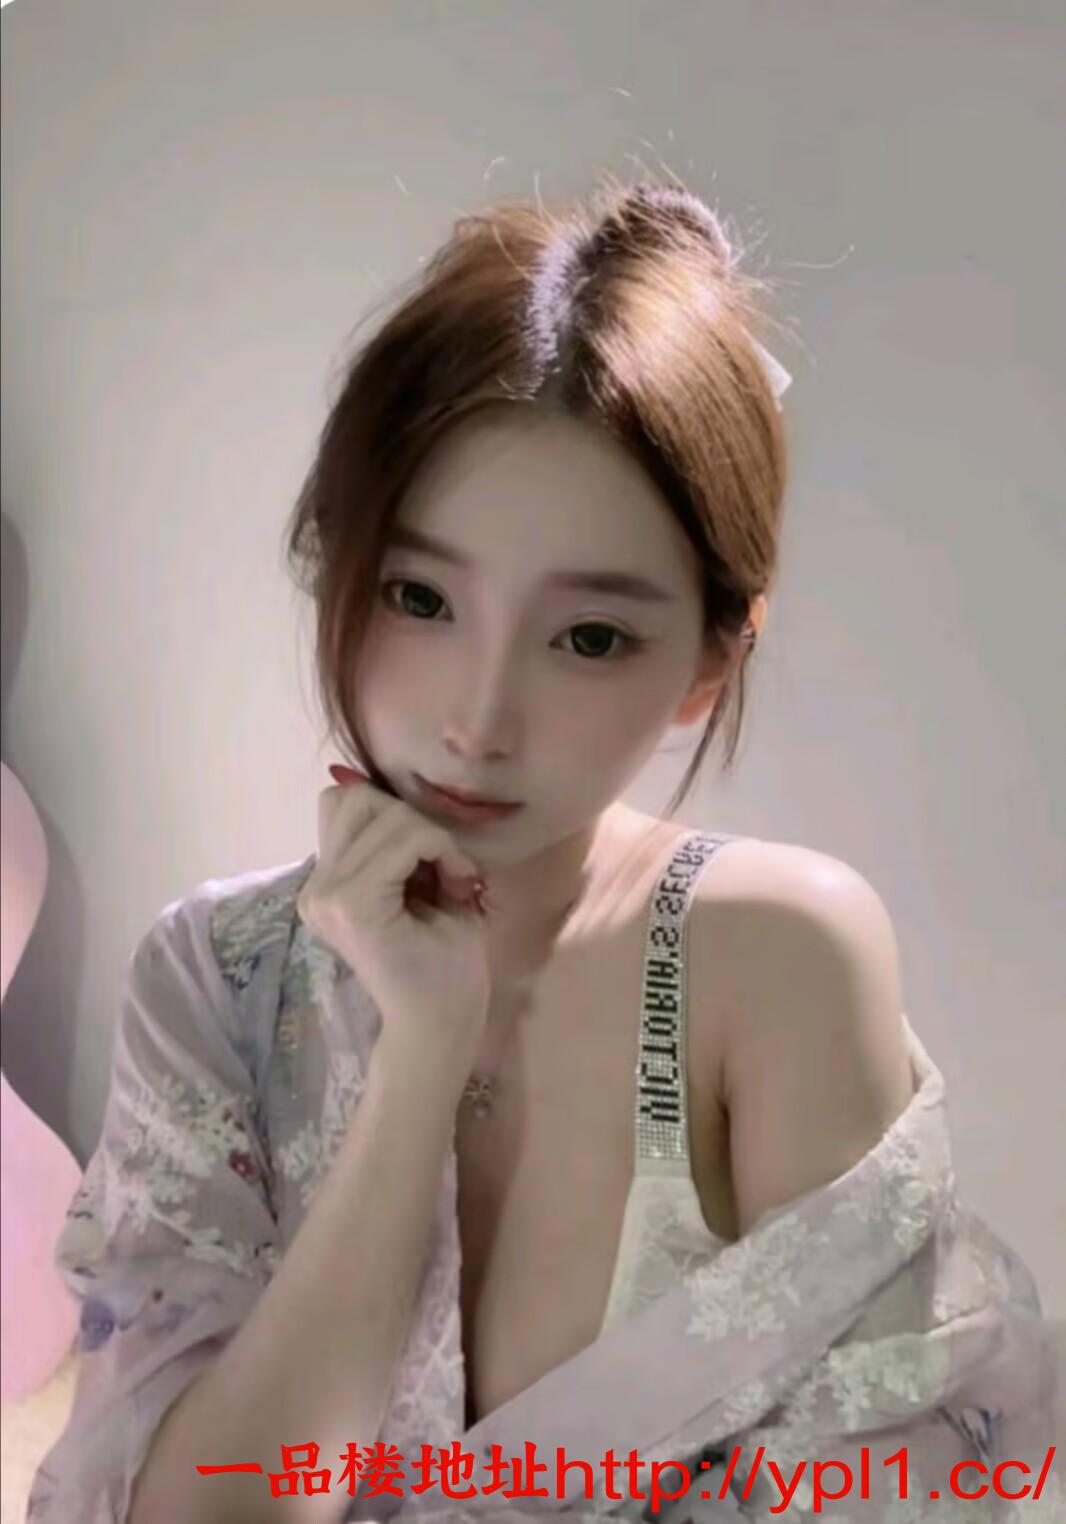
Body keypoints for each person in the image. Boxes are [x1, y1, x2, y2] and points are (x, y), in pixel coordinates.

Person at [27, 181, 1059, 1524]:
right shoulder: (216, 976)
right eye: (419, 597)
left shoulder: (773, 960)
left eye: (589, 637)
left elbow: (880, 1493)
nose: (478, 719)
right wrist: (420, 1056)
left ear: (707, 663)